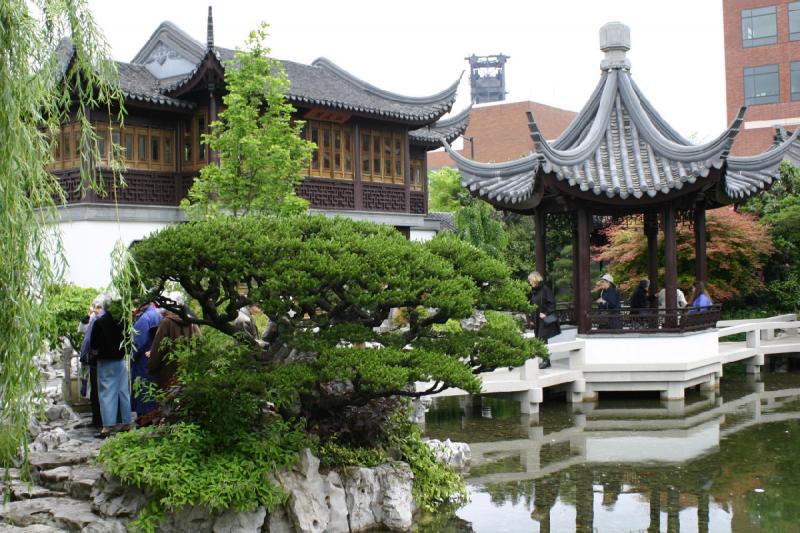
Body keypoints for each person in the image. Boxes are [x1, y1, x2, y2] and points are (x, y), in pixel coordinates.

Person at [89, 298, 132, 438]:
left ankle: (107, 427)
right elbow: (129, 340)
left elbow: (94, 344)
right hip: (120, 360)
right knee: (123, 391)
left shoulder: (99, 322)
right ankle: (126, 423)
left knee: (107, 393)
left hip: (105, 361)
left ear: (105, 307)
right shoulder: (123, 321)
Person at [148, 309, 201, 391]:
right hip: (189, 374)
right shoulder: (192, 321)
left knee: (168, 401)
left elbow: (157, 349)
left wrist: (151, 368)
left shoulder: (166, 322)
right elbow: (200, 345)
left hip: (169, 375)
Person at [130, 301, 162, 417]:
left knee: (144, 391)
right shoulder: (160, 314)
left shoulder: (145, 318)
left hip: (144, 361)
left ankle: (145, 420)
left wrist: (131, 358)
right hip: (157, 359)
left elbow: (137, 344)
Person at [528, 271, 560, 369]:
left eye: (530, 280)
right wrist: (531, 318)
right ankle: (545, 360)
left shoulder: (545, 289)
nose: (529, 282)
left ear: (534, 279)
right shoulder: (533, 291)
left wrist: (545, 313)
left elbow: (552, 303)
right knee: (539, 338)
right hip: (536, 319)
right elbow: (531, 304)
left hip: (544, 319)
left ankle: (546, 361)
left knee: (542, 338)